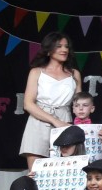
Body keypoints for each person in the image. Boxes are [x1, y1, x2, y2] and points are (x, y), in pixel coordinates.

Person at [20, 31, 82, 171]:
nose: (64, 50)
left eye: (66, 46)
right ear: (48, 50)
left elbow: (80, 105)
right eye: (59, 46)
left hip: (65, 121)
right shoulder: (36, 72)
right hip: (38, 123)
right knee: (36, 175)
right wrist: (55, 121)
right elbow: (28, 104)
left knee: (64, 172)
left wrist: (85, 127)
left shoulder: (74, 74)